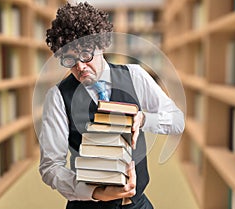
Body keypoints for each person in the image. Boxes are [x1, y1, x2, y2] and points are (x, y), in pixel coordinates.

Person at [39, 2, 185, 209]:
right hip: (87, 205)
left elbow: (177, 121)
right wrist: (96, 193)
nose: (80, 67)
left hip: (137, 203)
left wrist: (144, 119)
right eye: (70, 60)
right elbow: (50, 167)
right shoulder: (57, 97)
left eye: (86, 55)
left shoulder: (135, 76)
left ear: (101, 44)